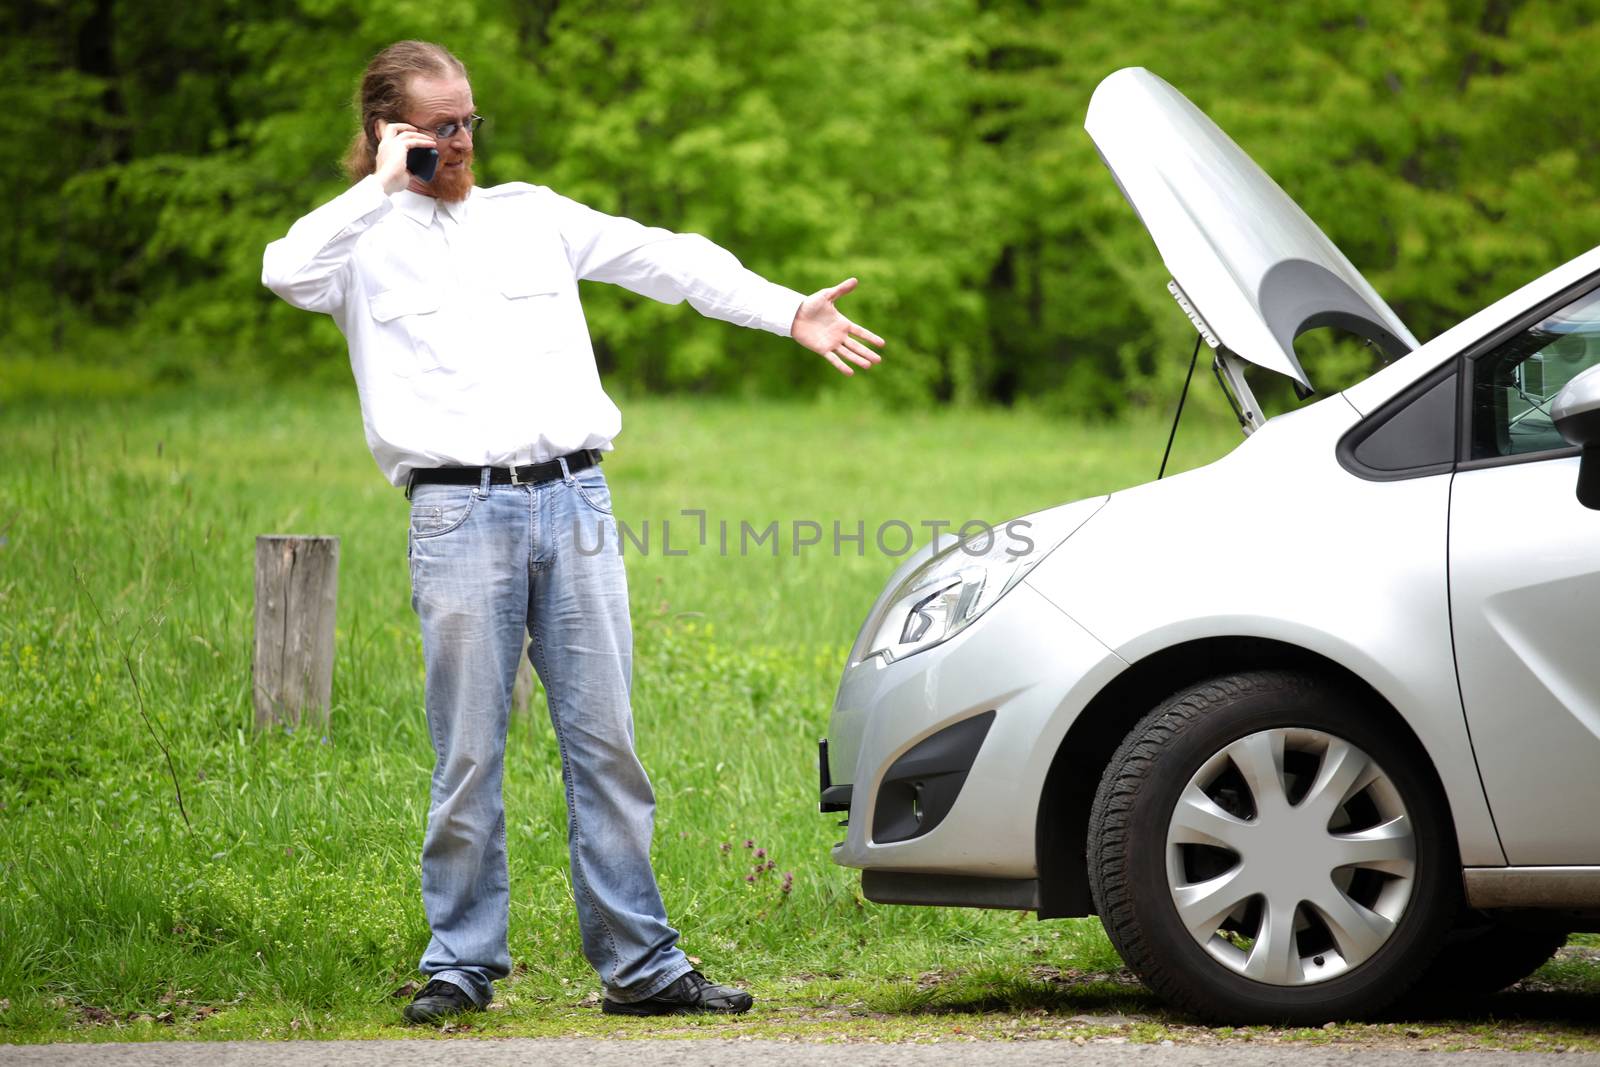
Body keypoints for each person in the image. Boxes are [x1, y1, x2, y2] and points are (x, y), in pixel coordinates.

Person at [261, 40, 884, 1023]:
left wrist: (784, 309)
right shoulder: (358, 246)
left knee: (606, 743)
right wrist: (380, 187)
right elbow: (283, 270)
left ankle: (640, 966)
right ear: (388, 130)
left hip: (576, 502)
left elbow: (668, 259)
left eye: (468, 121)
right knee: (467, 751)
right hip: (457, 512)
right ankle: (460, 965)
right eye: (438, 126)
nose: (460, 141)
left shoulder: (532, 217)